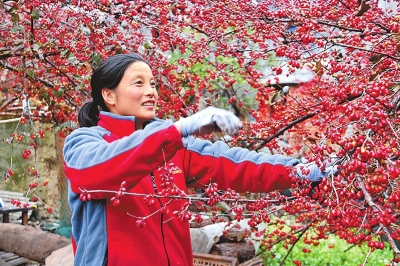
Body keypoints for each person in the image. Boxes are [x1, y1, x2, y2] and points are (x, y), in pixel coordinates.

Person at [63, 53, 335, 266]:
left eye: (153, 84)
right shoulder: (84, 143)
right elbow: (97, 172)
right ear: (108, 95)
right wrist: (178, 130)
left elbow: (234, 164)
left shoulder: (174, 147)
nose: (151, 92)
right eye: (139, 83)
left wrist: (300, 172)